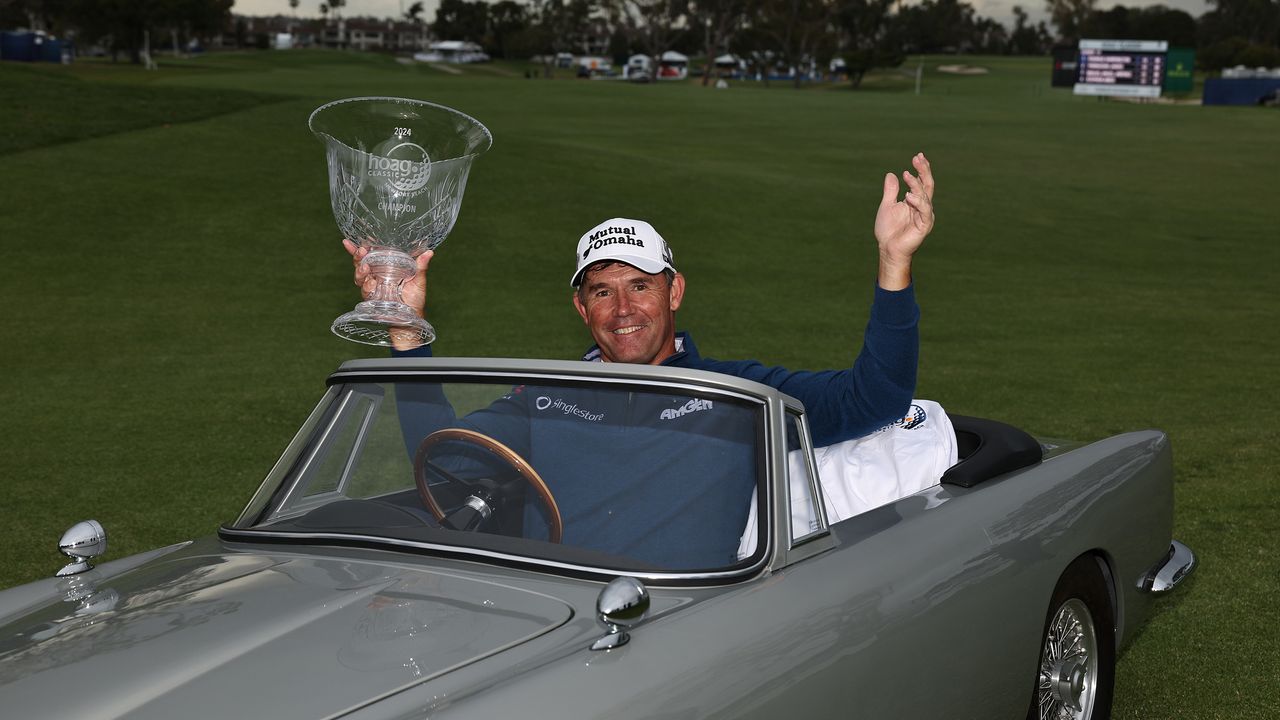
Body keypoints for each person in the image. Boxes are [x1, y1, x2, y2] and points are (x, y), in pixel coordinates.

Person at [344, 153, 936, 566]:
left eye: (640, 286)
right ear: (582, 308)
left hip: (679, 624)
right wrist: (405, 334)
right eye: (602, 291)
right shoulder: (547, 396)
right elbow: (448, 456)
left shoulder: (738, 394)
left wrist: (893, 265)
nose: (623, 308)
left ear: (673, 292)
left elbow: (874, 400)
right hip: (552, 616)